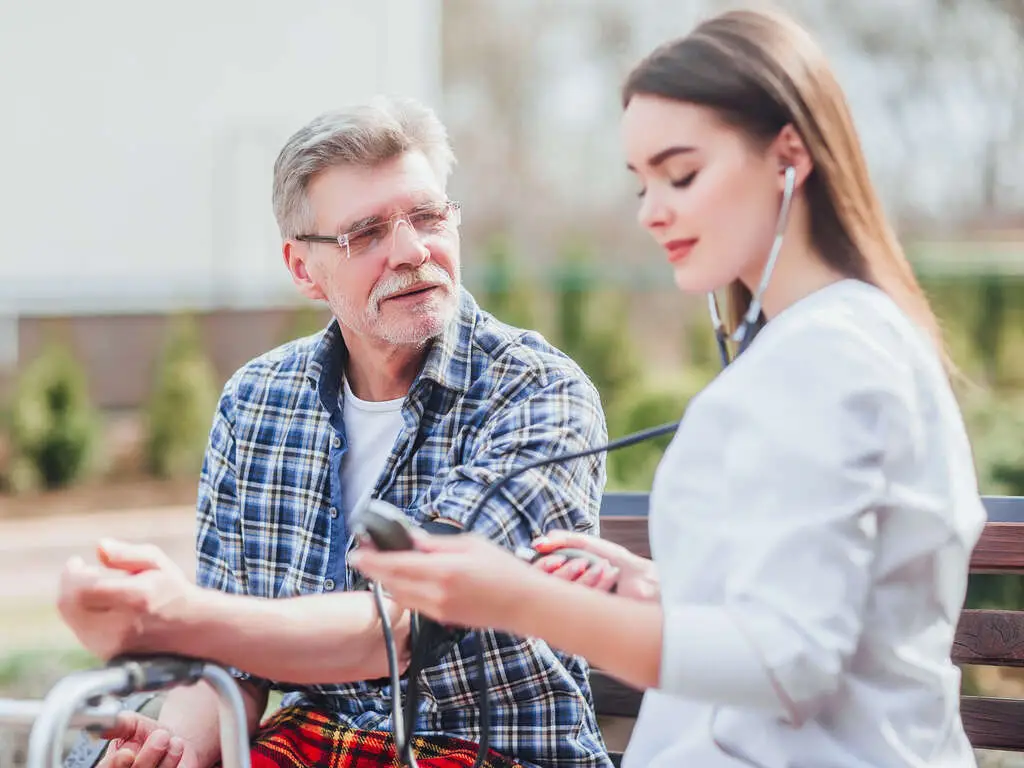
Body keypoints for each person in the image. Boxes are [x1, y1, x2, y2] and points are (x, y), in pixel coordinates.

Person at [351, 9, 988, 768]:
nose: (654, 211)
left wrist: (514, 598)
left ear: (789, 156)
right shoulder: (823, 339)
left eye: (681, 174)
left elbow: (790, 660)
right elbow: (819, 605)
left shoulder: (830, 354)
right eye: (641, 183)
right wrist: (660, 587)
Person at [57, 96, 612, 768]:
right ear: (302, 269)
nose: (412, 250)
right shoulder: (256, 403)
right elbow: (231, 666)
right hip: (318, 747)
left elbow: (410, 621)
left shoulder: (538, 392)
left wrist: (178, 615)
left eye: (429, 217)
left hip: (495, 753)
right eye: (367, 233)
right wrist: (175, 746)